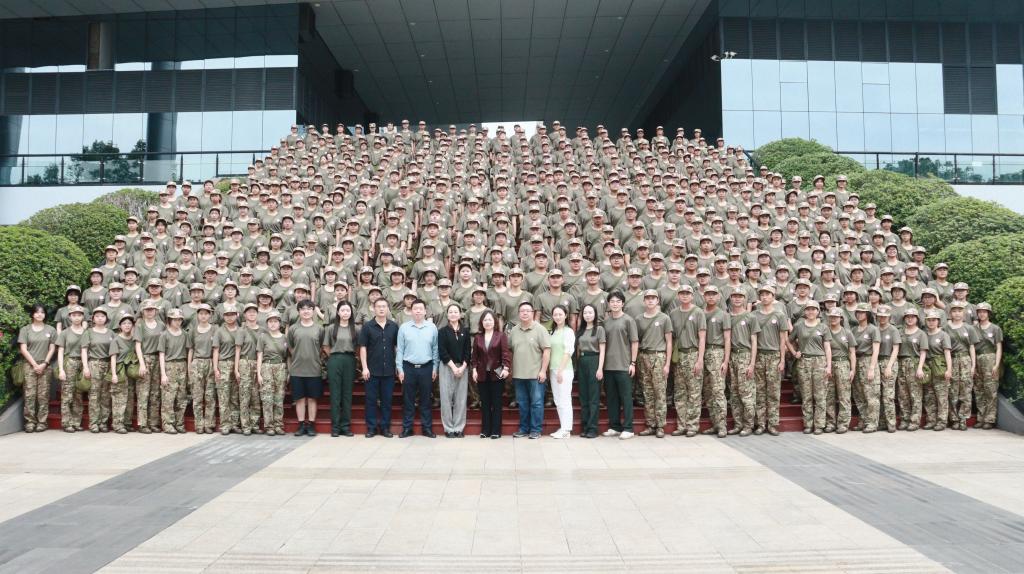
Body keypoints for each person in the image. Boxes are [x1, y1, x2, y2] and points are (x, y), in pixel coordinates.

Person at [396, 299, 440, 438]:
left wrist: (435, 367)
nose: (418, 311)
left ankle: (427, 428)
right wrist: (400, 369)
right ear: (411, 311)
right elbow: (400, 349)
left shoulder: (432, 328)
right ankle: (407, 428)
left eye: (421, 309)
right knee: (408, 399)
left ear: (425, 311)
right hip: (408, 367)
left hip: (426, 367)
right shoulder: (404, 327)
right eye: (415, 309)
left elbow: (435, 349)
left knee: (426, 399)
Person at [508, 301, 551, 439]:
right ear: (518, 314)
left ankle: (535, 430)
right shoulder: (514, 331)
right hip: (519, 375)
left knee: (536, 403)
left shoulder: (540, 329)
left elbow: (547, 351)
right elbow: (510, 350)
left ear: (533, 313)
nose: (525, 313)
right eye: (522, 311)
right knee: (522, 404)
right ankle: (523, 429)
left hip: (535, 375)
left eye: (528, 310)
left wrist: (543, 371)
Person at [359, 298, 399, 438]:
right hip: (372, 371)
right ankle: (371, 428)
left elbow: (396, 347)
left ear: (388, 309)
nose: (381, 309)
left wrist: (397, 366)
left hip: (389, 370)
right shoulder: (367, 326)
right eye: (378, 306)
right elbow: (363, 348)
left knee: (387, 401)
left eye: (384, 306)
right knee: (371, 401)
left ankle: (385, 428)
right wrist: (364, 367)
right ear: (374, 309)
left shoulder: (393, 326)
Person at [752, 285, 790, 436]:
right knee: (759, 391)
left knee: (773, 392)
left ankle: (773, 424)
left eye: (768, 294)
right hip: (759, 355)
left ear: (773, 297)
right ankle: (760, 424)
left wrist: (782, 360)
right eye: (762, 294)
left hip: (774, 355)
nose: (765, 297)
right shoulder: (754, 315)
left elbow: (783, 339)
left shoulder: (780, 315)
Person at [789, 301, 831, 434]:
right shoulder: (799, 326)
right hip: (804, 361)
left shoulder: (823, 327)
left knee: (820, 395)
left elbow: (827, 347)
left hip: (820, 361)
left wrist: (829, 365)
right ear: (804, 312)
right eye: (808, 309)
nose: (811, 312)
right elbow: (788, 340)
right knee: (806, 395)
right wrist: (794, 352)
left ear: (818, 311)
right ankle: (808, 424)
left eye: (813, 309)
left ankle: (819, 425)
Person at [635, 290, 672, 438]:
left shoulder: (664, 318)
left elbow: (669, 342)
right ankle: (650, 424)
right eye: (648, 298)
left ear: (657, 301)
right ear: (644, 301)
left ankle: (660, 425)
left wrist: (667, 364)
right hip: (643, 356)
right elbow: (636, 341)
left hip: (659, 356)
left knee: (660, 392)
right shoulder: (639, 319)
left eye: (653, 298)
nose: (650, 301)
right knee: (647, 392)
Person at [669, 285, 705, 437]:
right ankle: (681, 425)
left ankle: (692, 425)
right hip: (679, 355)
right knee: (680, 392)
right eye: (682, 293)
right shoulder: (673, 313)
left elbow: (702, 337)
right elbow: (671, 337)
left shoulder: (698, 312)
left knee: (694, 392)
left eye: (687, 293)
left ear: (692, 296)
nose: (685, 296)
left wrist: (700, 359)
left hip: (692, 353)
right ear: (678, 296)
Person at [602, 292, 637, 439]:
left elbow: (634, 342)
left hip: (624, 365)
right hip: (608, 366)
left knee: (626, 398)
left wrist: (633, 363)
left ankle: (628, 428)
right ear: (609, 304)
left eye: (618, 301)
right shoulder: (606, 322)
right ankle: (614, 426)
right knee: (611, 398)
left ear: (622, 303)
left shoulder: (628, 320)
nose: (615, 304)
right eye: (612, 301)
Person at [288, 299, 325, 436]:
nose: (306, 311)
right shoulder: (293, 329)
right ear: (298, 311)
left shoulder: (319, 328)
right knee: (300, 399)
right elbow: (290, 347)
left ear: (313, 311)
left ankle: (311, 425)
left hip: (314, 369)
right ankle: (301, 424)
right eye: (303, 309)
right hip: (297, 369)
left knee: (312, 398)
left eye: (309, 309)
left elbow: (321, 347)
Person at [18, 304, 57, 433]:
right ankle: (30, 422)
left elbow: (52, 348)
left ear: (45, 314)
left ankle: (42, 422)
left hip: (45, 365)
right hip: (29, 366)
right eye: (37, 312)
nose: (40, 314)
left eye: (42, 312)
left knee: (43, 395)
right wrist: (35, 365)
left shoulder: (51, 330)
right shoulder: (25, 329)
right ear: (32, 314)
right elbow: (23, 349)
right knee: (29, 394)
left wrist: (45, 363)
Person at [472, 309, 510, 439]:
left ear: (495, 321)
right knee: (485, 403)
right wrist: (474, 370)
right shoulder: (478, 337)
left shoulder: (501, 336)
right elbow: (474, 357)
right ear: (481, 322)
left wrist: (506, 368)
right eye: (485, 320)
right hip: (482, 374)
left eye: (490, 319)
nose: (487, 322)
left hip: (497, 374)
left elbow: (505, 353)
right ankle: (485, 430)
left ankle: (496, 431)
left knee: (496, 403)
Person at [323, 301, 358, 437]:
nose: (345, 313)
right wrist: (334, 356)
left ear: (351, 312)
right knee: (335, 394)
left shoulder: (356, 328)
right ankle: (335, 427)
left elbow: (358, 347)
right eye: (342, 310)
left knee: (347, 394)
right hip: (335, 359)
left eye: (348, 310)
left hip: (350, 360)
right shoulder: (331, 328)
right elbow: (326, 346)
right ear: (338, 312)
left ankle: (345, 426)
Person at [700, 286, 730, 438]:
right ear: (704, 296)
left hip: (716, 351)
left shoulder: (723, 314)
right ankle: (714, 423)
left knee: (718, 390)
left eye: (714, 294)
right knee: (707, 391)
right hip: (701, 352)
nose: (711, 297)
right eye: (708, 294)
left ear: (718, 297)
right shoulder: (700, 313)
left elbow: (727, 338)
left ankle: (722, 425)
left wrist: (726, 360)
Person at [727, 291, 758, 436]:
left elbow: (754, 341)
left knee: (747, 393)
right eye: (734, 296)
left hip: (745, 355)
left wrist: (752, 363)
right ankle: (738, 424)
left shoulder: (750, 317)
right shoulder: (727, 316)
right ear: (731, 299)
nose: (737, 299)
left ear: (745, 299)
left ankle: (748, 425)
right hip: (732, 355)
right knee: (734, 393)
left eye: (740, 297)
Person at [944, 302, 978, 431]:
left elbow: (972, 347)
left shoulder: (969, 328)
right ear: (950, 313)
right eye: (954, 311)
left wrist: (973, 365)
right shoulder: (945, 328)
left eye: (959, 311)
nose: (957, 313)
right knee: (952, 391)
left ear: (963, 313)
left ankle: (963, 419)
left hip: (965, 360)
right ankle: (954, 419)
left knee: (966, 390)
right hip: (951, 359)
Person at [438, 303, 470, 438]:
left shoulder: (465, 331)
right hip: (447, 367)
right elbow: (442, 351)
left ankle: (458, 428)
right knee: (446, 398)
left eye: (456, 312)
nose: (453, 314)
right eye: (450, 312)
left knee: (461, 399)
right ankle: (449, 428)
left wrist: (462, 367)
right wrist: (453, 367)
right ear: (447, 314)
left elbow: (468, 351)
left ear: (460, 314)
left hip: (462, 367)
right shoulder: (442, 331)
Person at [81, 308, 114, 433]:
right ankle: (94, 423)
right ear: (93, 319)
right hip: (94, 363)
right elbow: (84, 350)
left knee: (106, 395)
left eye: (102, 316)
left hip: (108, 364)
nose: (100, 318)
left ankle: (103, 422)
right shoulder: (88, 332)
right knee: (94, 394)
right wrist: (85, 367)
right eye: (97, 316)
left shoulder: (111, 333)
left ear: (106, 319)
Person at [575, 304, 605, 439]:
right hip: (582, 361)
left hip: (594, 360)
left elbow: (602, 350)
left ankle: (592, 428)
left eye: (590, 312)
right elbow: (578, 350)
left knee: (593, 397)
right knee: (584, 396)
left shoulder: (599, 329)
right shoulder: (580, 331)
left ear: (595, 314)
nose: (588, 315)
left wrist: (600, 368)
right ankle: (585, 426)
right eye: (585, 313)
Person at [56, 305, 87, 431]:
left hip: (83, 363)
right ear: (69, 317)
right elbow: (60, 351)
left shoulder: (87, 332)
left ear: (83, 317)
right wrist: (61, 369)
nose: (77, 317)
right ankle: (67, 423)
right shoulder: (65, 333)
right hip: (70, 362)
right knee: (67, 394)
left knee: (78, 394)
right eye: (74, 315)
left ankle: (76, 422)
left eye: (79, 315)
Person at [257, 310, 289, 436]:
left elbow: (288, 356)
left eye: (275, 321)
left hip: (280, 367)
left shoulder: (284, 338)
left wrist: (288, 371)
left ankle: (278, 424)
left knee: (279, 397)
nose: (273, 324)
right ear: (267, 323)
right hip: (267, 366)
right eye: (270, 321)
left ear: (280, 323)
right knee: (267, 398)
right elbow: (259, 355)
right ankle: (269, 425)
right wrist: (259, 373)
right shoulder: (263, 337)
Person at [109, 315, 142, 434]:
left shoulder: (134, 340)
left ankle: (127, 423)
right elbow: (113, 358)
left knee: (130, 398)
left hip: (131, 370)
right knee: (119, 399)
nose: (127, 325)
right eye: (124, 323)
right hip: (120, 370)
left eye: (129, 323)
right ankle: (118, 424)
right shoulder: (116, 340)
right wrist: (114, 374)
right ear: (120, 326)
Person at [826, 307, 857, 433]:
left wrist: (853, 369)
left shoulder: (847, 332)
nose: (833, 319)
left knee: (844, 396)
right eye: (831, 317)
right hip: (828, 364)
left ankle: (843, 423)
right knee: (828, 395)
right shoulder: (825, 331)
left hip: (843, 364)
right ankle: (830, 422)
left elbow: (852, 352)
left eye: (836, 317)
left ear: (841, 318)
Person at [187, 304, 217, 434]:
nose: (203, 316)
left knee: (210, 396)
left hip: (209, 361)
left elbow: (216, 349)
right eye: (201, 313)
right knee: (197, 396)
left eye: (206, 313)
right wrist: (189, 366)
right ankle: (199, 424)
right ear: (198, 315)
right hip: (197, 362)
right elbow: (190, 349)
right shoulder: (193, 330)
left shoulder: (215, 329)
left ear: (210, 315)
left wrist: (215, 367)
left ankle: (209, 424)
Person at [896, 308, 927, 431]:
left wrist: (920, 368)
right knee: (902, 394)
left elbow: (923, 352)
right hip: (901, 363)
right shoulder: (900, 332)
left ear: (917, 319)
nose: (910, 319)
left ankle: (914, 421)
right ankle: (904, 419)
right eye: (907, 317)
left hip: (914, 363)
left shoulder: (921, 333)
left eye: (913, 317)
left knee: (915, 394)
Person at [851, 303, 881, 433]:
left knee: (871, 394)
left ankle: (872, 423)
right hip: (856, 361)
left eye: (862, 312)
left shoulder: (873, 329)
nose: (859, 314)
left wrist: (872, 368)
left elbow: (876, 350)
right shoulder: (853, 330)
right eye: (858, 312)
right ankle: (863, 420)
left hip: (868, 360)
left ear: (868, 314)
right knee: (859, 394)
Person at [158, 309, 189, 434]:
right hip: (169, 365)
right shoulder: (164, 335)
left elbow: (188, 351)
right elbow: (161, 354)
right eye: (175, 319)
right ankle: (168, 424)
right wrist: (163, 374)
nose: (178, 322)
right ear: (170, 320)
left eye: (180, 319)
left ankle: (179, 423)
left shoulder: (185, 334)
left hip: (182, 365)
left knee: (181, 397)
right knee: (168, 397)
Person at [972, 302, 1002, 429]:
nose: (982, 314)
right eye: (979, 312)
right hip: (977, 358)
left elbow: (999, 347)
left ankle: (989, 419)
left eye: (984, 312)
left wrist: (996, 364)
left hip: (990, 358)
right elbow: (972, 347)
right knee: (978, 390)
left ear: (988, 313)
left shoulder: (995, 328)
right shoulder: (973, 328)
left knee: (990, 389)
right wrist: (973, 365)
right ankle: (981, 417)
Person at [548, 305, 576, 438]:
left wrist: (560, 370)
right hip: (553, 369)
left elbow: (568, 352)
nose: (558, 317)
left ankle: (566, 429)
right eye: (555, 314)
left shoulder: (568, 331)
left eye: (560, 314)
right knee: (558, 400)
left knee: (565, 399)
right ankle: (563, 427)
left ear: (565, 315)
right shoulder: (553, 332)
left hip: (564, 370)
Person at [212, 306, 241, 435]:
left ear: (237, 315)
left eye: (232, 314)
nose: (229, 317)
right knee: (224, 396)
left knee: (235, 396)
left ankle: (235, 423)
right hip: (223, 364)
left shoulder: (240, 330)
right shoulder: (219, 331)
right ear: (223, 316)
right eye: (227, 315)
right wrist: (215, 368)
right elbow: (216, 350)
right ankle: (225, 424)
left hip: (237, 364)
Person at [923, 310, 952, 431]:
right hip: (927, 366)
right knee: (929, 395)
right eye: (929, 320)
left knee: (941, 395)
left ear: (938, 321)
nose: (931, 322)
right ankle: (931, 420)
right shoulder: (924, 334)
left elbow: (947, 353)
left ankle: (942, 421)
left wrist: (949, 369)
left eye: (934, 320)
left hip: (939, 366)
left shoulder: (943, 335)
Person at [875, 306, 901, 433]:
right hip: (876, 361)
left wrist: (889, 366)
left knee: (888, 395)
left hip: (888, 361)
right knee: (877, 394)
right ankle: (881, 422)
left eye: (884, 316)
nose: (882, 318)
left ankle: (891, 423)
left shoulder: (893, 330)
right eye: (880, 316)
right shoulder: (875, 329)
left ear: (889, 317)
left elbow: (896, 349)